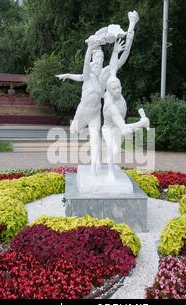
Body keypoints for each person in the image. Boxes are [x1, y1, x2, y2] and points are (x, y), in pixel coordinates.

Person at [56, 11, 140, 175]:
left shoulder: (104, 76)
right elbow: (86, 63)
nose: (99, 63)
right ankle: (76, 127)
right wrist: (91, 46)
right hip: (82, 112)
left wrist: (129, 29)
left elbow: (121, 60)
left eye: (101, 60)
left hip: (95, 113)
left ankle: (96, 166)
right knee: (74, 131)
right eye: (97, 60)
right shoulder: (87, 75)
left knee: (96, 139)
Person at [102, 39, 150, 179]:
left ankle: (110, 165)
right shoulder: (111, 106)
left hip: (119, 127)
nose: (117, 90)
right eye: (114, 89)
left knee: (116, 151)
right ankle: (110, 173)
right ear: (109, 91)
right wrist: (142, 123)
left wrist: (116, 51)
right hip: (109, 128)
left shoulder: (114, 82)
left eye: (118, 87)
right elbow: (124, 129)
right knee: (114, 149)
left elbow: (112, 68)